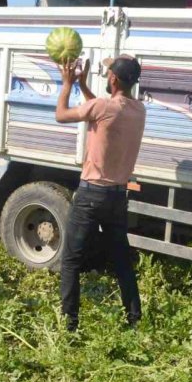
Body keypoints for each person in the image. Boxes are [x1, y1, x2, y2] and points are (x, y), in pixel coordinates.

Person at [54, 55, 147, 332]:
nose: (107, 76)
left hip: (92, 194)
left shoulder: (102, 107)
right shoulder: (138, 110)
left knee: (71, 259)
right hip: (118, 197)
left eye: (108, 73)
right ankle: (133, 319)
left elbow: (61, 115)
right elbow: (101, 111)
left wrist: (68, 84)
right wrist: (84, 86)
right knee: (121, 259)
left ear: (114, 79)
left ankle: (69, 323)